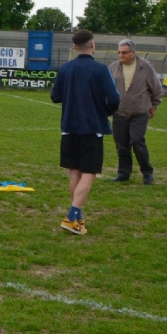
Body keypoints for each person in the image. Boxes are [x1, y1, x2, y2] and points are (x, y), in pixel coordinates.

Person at [50, 30, 120, 235]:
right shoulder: (100, 70)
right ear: (93, 45)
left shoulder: (65, 68)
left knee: (74, 171)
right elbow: (114, 100)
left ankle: (78, 218)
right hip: (92, 128)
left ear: (74, 47)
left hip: (69, 127)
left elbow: (55, 96)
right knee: (89, 172)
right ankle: (72, 216)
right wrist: (103, 112)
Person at [107, 39, 164, 184]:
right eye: (119, 52)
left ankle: (147, 172)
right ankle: (123, 173)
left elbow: (156, 88)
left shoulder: (145, 67)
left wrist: (154, 105)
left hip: (139, 113)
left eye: (124, 52)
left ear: (133, 52)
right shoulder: (113, 67)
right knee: (121, 145)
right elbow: (107, 88)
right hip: (119, 112)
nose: (121, 55)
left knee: (137, 141)